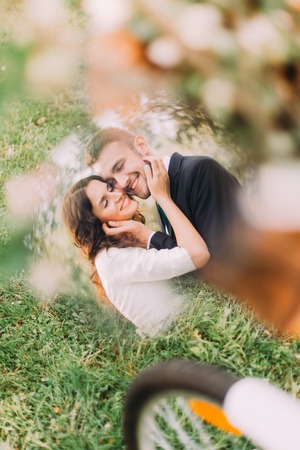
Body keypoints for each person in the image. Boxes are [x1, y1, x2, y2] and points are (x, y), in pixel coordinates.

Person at [62, 157, 210, 336]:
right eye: (105, 202)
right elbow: (198, 254)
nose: (117, 195)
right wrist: (163, 198)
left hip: (194, 323)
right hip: (185, 334)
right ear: (96, 224)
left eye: (110, 188)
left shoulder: (125, 245)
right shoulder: (110, 259)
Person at [84, 127, 241, 260]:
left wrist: (149, 237)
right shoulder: (160, 200)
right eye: (111, 182)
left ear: (141, 145)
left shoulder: (200, 171)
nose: (122, 182)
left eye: (120, 166)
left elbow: (224, 261)